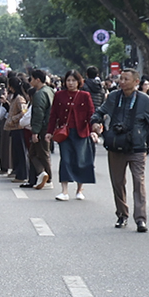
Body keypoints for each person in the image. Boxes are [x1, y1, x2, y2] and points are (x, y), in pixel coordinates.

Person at [92, 68, 149, 232]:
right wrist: (96, 122)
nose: (121, 82)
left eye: (125, 79)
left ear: (136, 82)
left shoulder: (144, 100)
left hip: (137, 148)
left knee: (139, 183)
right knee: (118, 183)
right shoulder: (114, 97)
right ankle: (122, 215)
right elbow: (99, 112)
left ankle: (140, 219)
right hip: (116, 146)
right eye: (120, 79)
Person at [48, 70, 97, 201]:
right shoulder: (59, 95)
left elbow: (91, 114)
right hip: (64, 133)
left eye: (73, 81)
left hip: (81, 132)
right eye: (68, 80)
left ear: (79, 82)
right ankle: (64, 191)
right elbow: (53, 115)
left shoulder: (85, 96)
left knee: (81, 160)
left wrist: (94, 130)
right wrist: (49, 132)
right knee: (66, 160)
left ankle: (79, 189)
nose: (70, 83)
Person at [26, 70, 55, 190]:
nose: (30, 81)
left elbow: (38, 114)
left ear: (38, 79)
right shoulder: (50, 90)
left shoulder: (39, 94)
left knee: (41, 153)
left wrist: (35, 131)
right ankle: (42, 174)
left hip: (42, 127)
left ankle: (47, 177)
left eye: (32, 79)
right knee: (36, 152)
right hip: (48, 126)